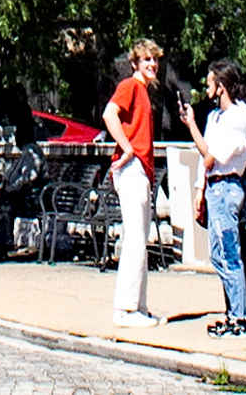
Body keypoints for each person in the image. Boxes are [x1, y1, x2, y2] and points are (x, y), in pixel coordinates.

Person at [180, 58, 246, 337]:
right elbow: (206, 161)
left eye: (210, 83)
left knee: (234, 255)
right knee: (220, 255)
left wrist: (191, 126)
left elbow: (211, 157)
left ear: (222, 86)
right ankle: (234, 313)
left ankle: (243, 317)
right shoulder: (215, 117)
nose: (206, 88)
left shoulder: (240, 118)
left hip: (230, 188)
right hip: (215, 189)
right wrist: (200, 190)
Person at [102, 38, 163, 326]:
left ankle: (139, 307)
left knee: (139, 238)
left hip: (140, 170)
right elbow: (109, 114)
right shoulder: (130, 86)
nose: (152, 64)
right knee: (135, 240)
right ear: (135, 63)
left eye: (155, 59)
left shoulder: (143, 91)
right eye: (147, 59)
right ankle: (126, 310)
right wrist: (127, 148)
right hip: (132, 168)